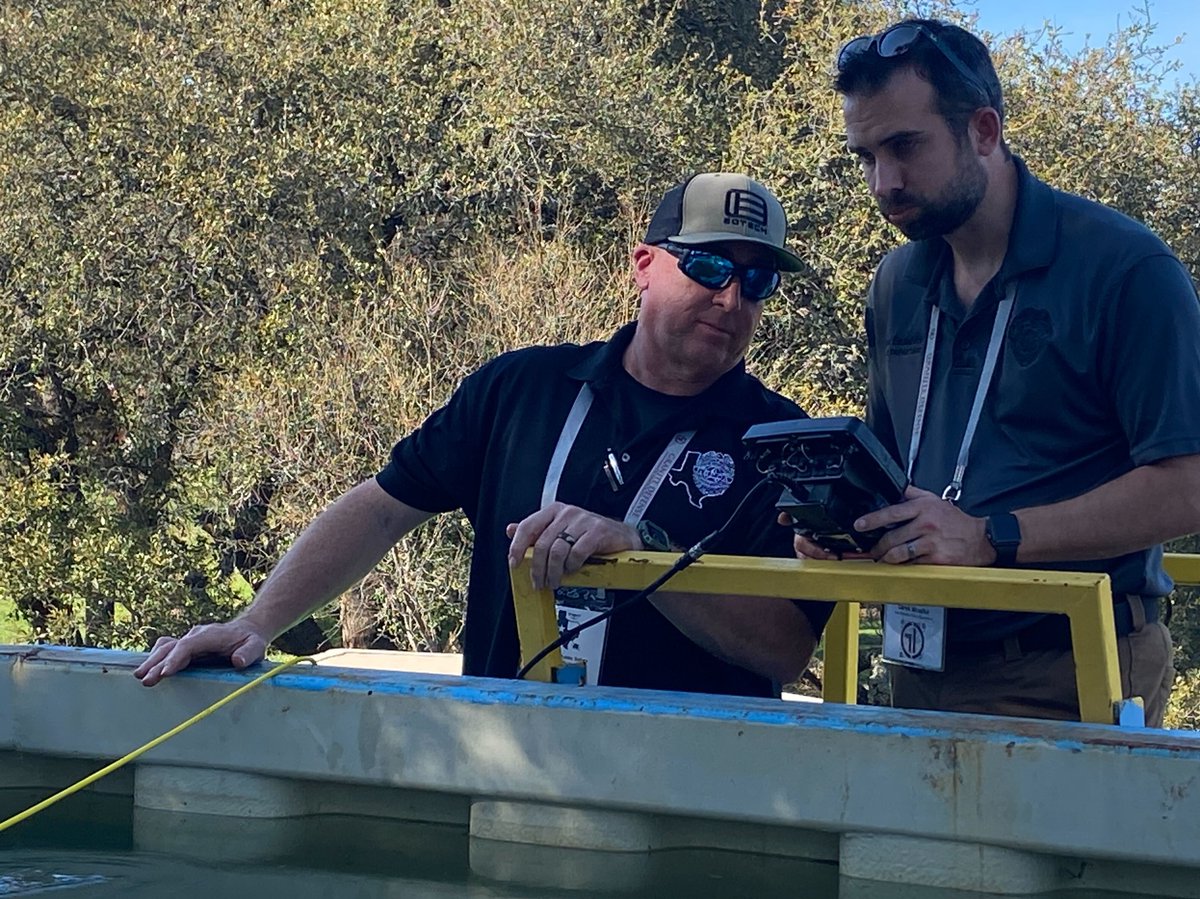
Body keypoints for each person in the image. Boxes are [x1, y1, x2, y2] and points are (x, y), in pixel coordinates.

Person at [136, 172, 833, 698]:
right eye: (709, 267)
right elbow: (383, 506)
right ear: (643, 265)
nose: (731, 297)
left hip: (696, 789)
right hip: (511, 759)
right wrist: (258, 623)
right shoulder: (520, 389)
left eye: (757, 278)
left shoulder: (786, 441)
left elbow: (783, 652)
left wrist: (647, 556)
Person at [794, 19, 1200, 726]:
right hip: (918, 659)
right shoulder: (896, 280)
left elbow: (1188, 485)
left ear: (984, 129)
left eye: (904, 147)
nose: (883, 183)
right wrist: (845, 524)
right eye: (864, 156)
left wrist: (989, 537)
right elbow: (897, 467)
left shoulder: (1126, 269)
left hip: (1069, 660)